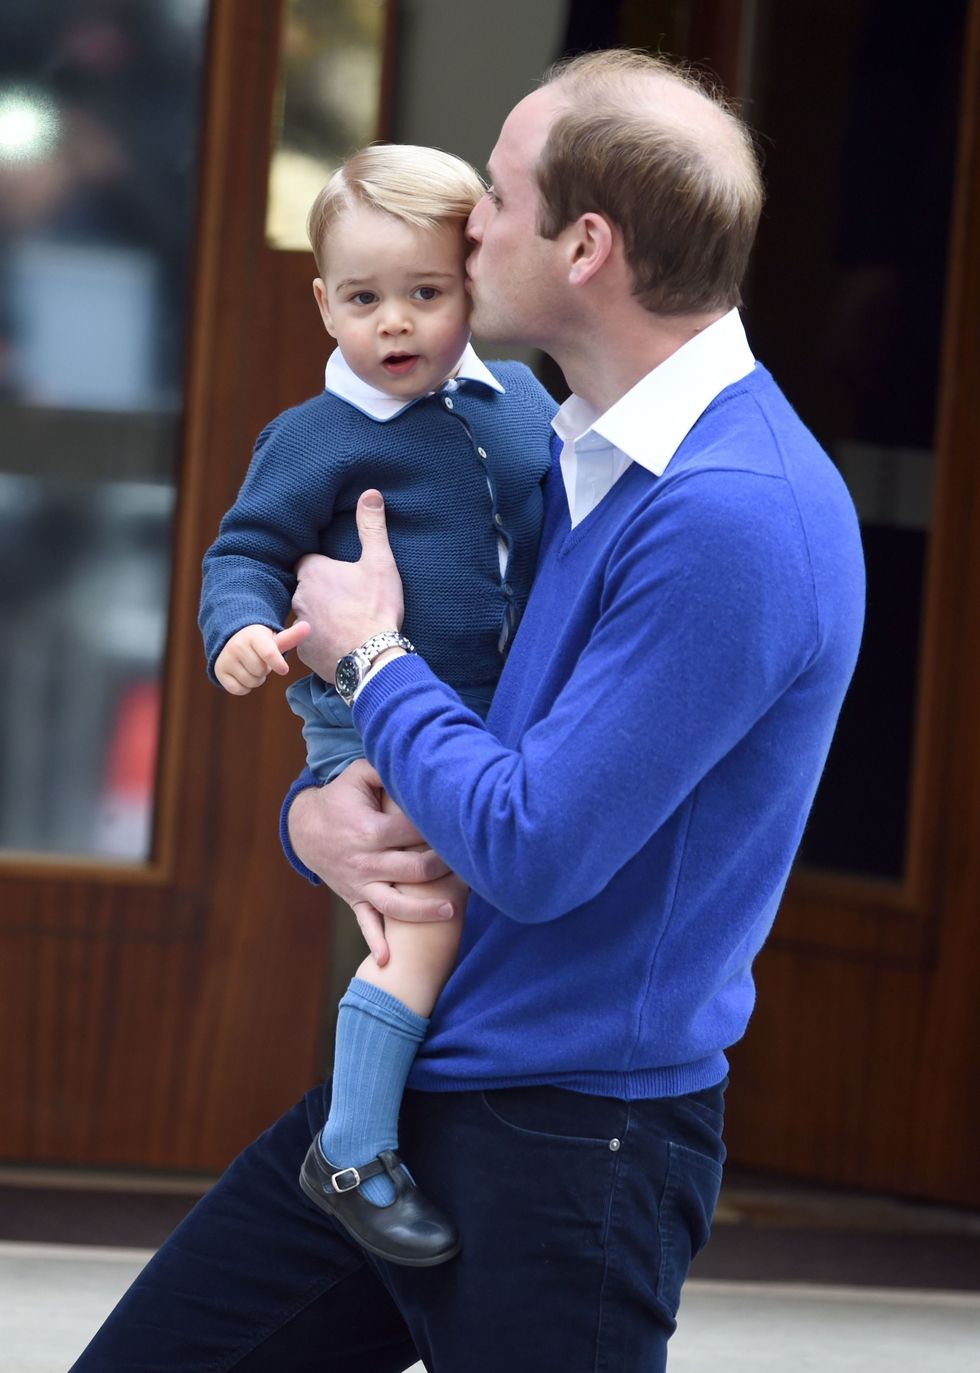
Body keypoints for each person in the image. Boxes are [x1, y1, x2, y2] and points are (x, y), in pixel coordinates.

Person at [70, 49, 865, 1373]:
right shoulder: (563, 448)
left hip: (572, 1142)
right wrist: (316, 811)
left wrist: (372, 661)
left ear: (589, 244)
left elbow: (534, 846)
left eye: (497, 194)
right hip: (417, 1087)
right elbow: (468, 739)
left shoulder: (734, 515)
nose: (469, 223)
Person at [197, 143, 555, 1265]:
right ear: (322, 301)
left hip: (493, 709)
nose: (393, 323)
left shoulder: (524, 404)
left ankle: (440, 1117)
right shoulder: (314, 437)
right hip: (365, 720)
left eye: (425, 294)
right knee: (425, 915)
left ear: (472, 284)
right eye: (362, 299)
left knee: (491, 896)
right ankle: (351, 1148)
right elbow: (244, 552)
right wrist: (245, 633)